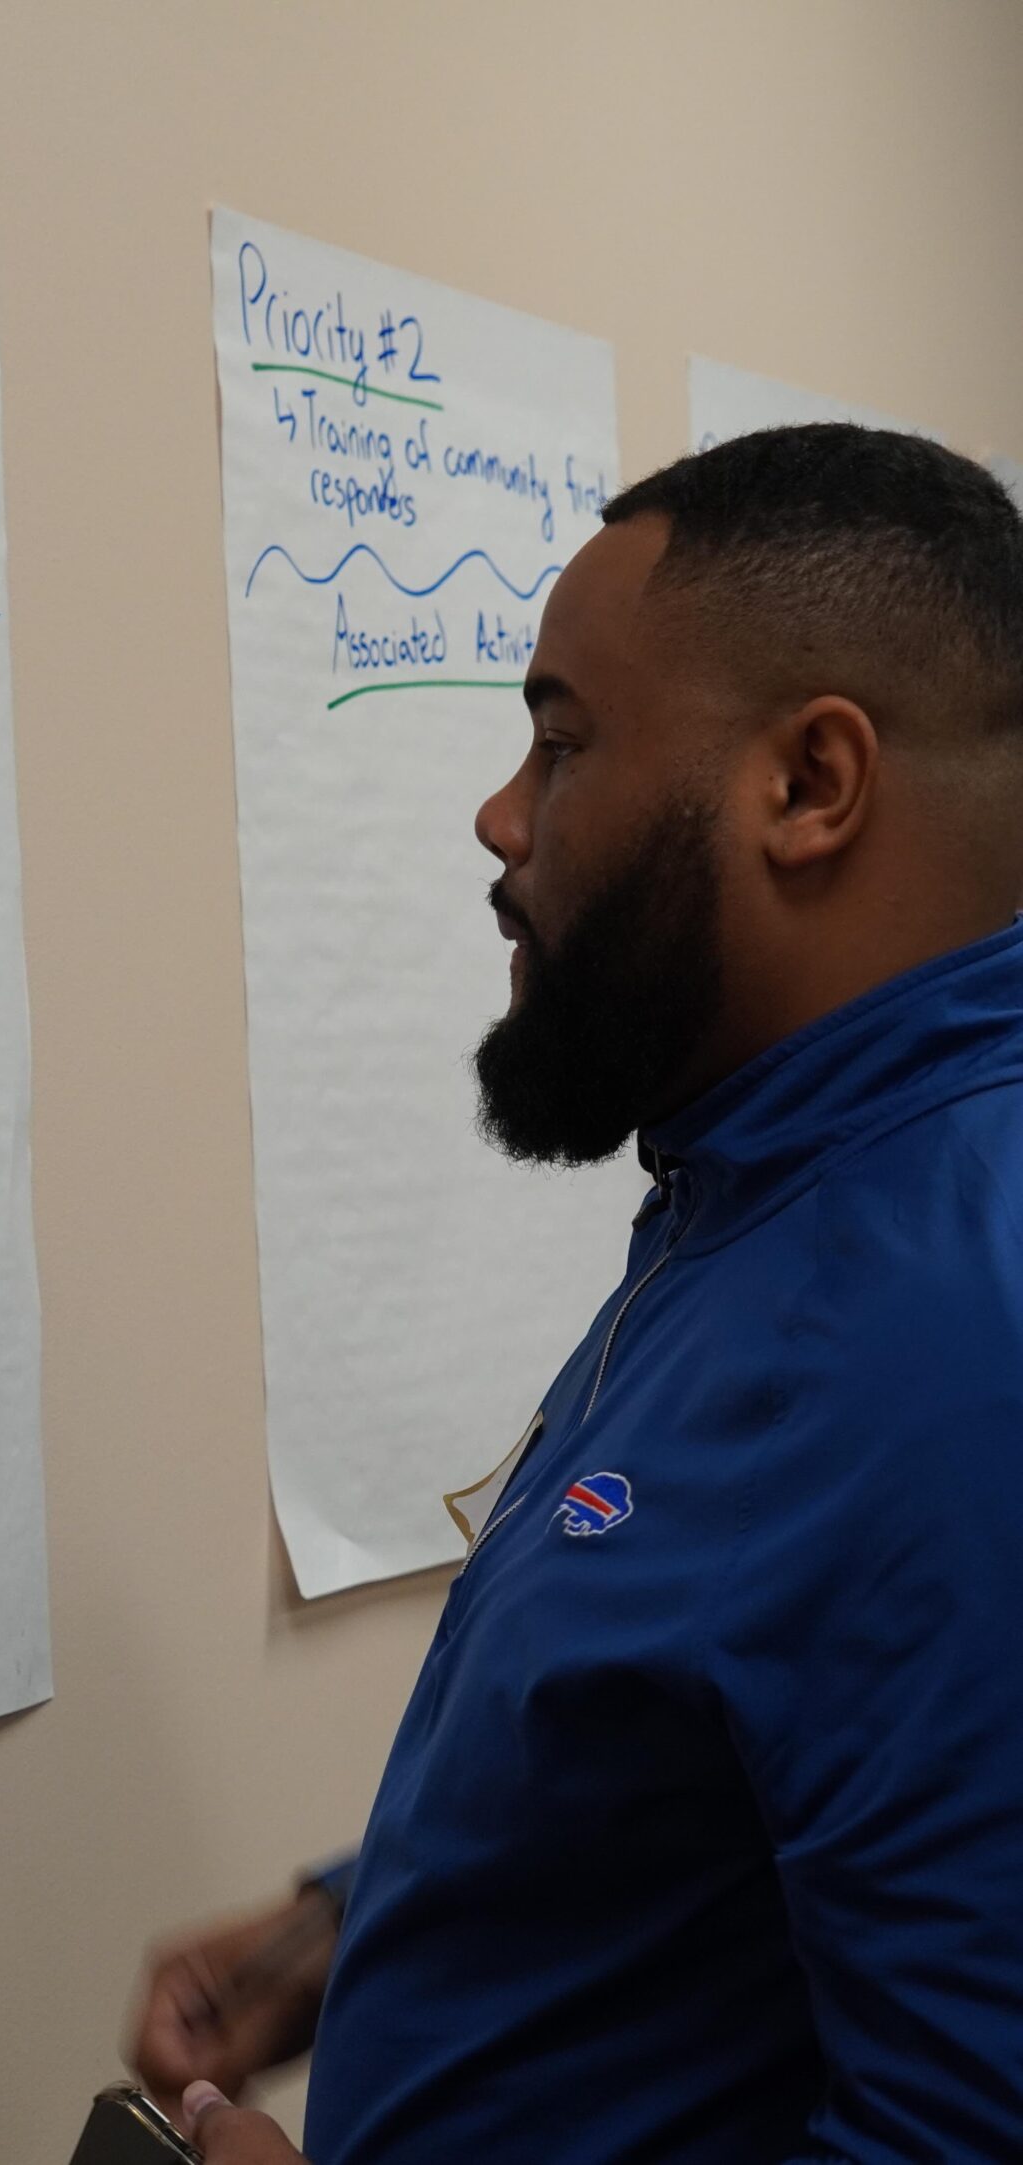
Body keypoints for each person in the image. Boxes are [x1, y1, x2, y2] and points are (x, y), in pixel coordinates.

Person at [129, 424, 1023, 2163]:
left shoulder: (957, 1350)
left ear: (809, 785)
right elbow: (717, 1747)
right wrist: (360, 1915)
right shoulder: (765, 1182)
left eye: (561, 741)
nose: (502, 814)